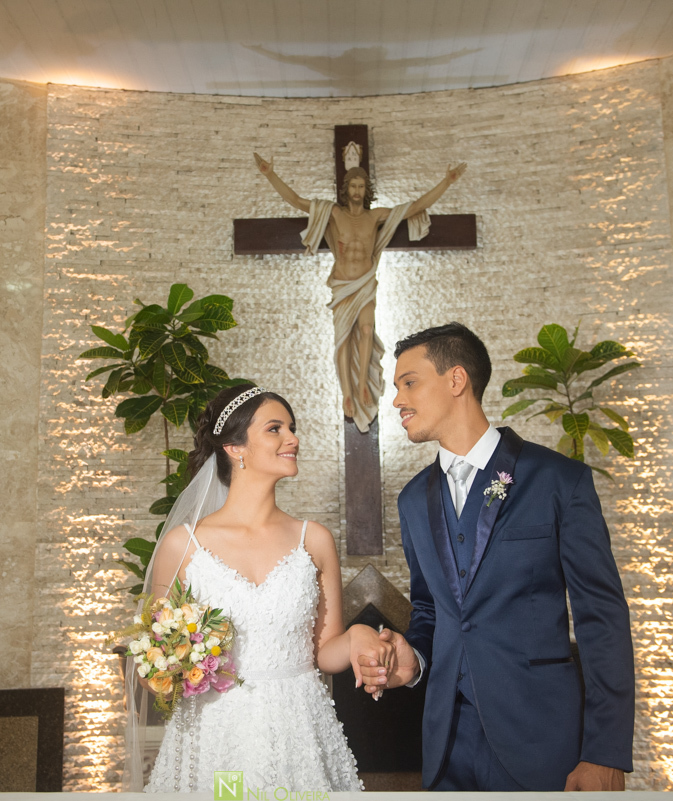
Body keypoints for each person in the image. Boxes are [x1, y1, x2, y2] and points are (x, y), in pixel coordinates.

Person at [357, 323, 635, 792]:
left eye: (409, 382)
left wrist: (605, 752)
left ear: (456, 380)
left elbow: (601, 619)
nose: (397, 401)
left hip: (542, 741)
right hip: (445, 746)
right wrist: (413, 658)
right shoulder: (411, 501)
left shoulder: (559, 482)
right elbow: (429, 610)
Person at [134, 384, 391, 792]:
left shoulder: (315, 540)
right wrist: (173, 666)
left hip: (300, 729)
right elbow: (154, 663)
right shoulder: (183, 546)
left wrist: (358, 636)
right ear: (234, 448)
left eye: (292, 428)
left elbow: (325, 652)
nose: (293, 438)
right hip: (214, 733)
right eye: (276, 429)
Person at [254, 152, 466, 432]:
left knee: (366, 331)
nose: (356, 191)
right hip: (343, 286)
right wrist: (270, 174)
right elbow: (297, 201)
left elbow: (414, 208)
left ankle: (364, 382)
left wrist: (447, 182)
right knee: (342, 340)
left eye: (361, 186)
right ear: (346, 190)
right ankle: (347, 393)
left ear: (366, 191)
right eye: (352, 186)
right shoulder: (334, 213)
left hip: (365, 283)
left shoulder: (375, 216)